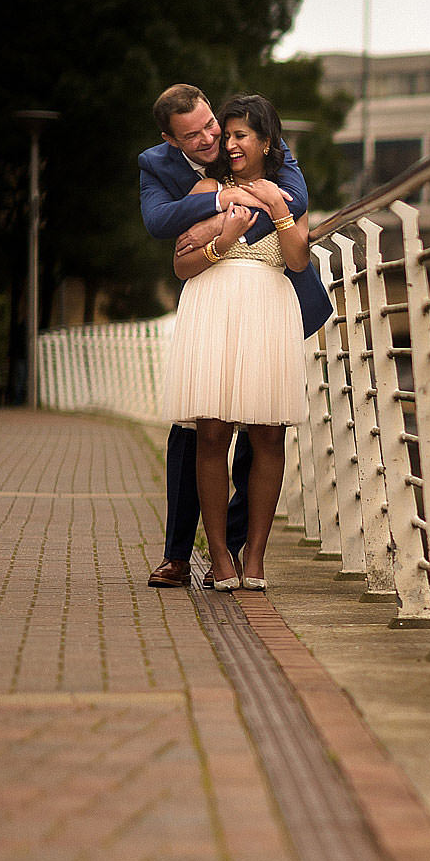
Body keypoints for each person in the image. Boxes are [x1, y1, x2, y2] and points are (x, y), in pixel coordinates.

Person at [137, 82, 330, 587]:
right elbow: (176, 250)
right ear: (171, 137)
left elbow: (296, 255)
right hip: (213, 310)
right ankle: (211, 556)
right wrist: (220, 235)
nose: (223, 142)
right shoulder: (195, 187)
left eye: (228, 132)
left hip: (267, 312)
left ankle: (254, 558)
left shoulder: (286, 182)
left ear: (266, 142)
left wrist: (279, 210)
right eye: (223, 136)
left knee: (267, 433)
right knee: (210, 434)